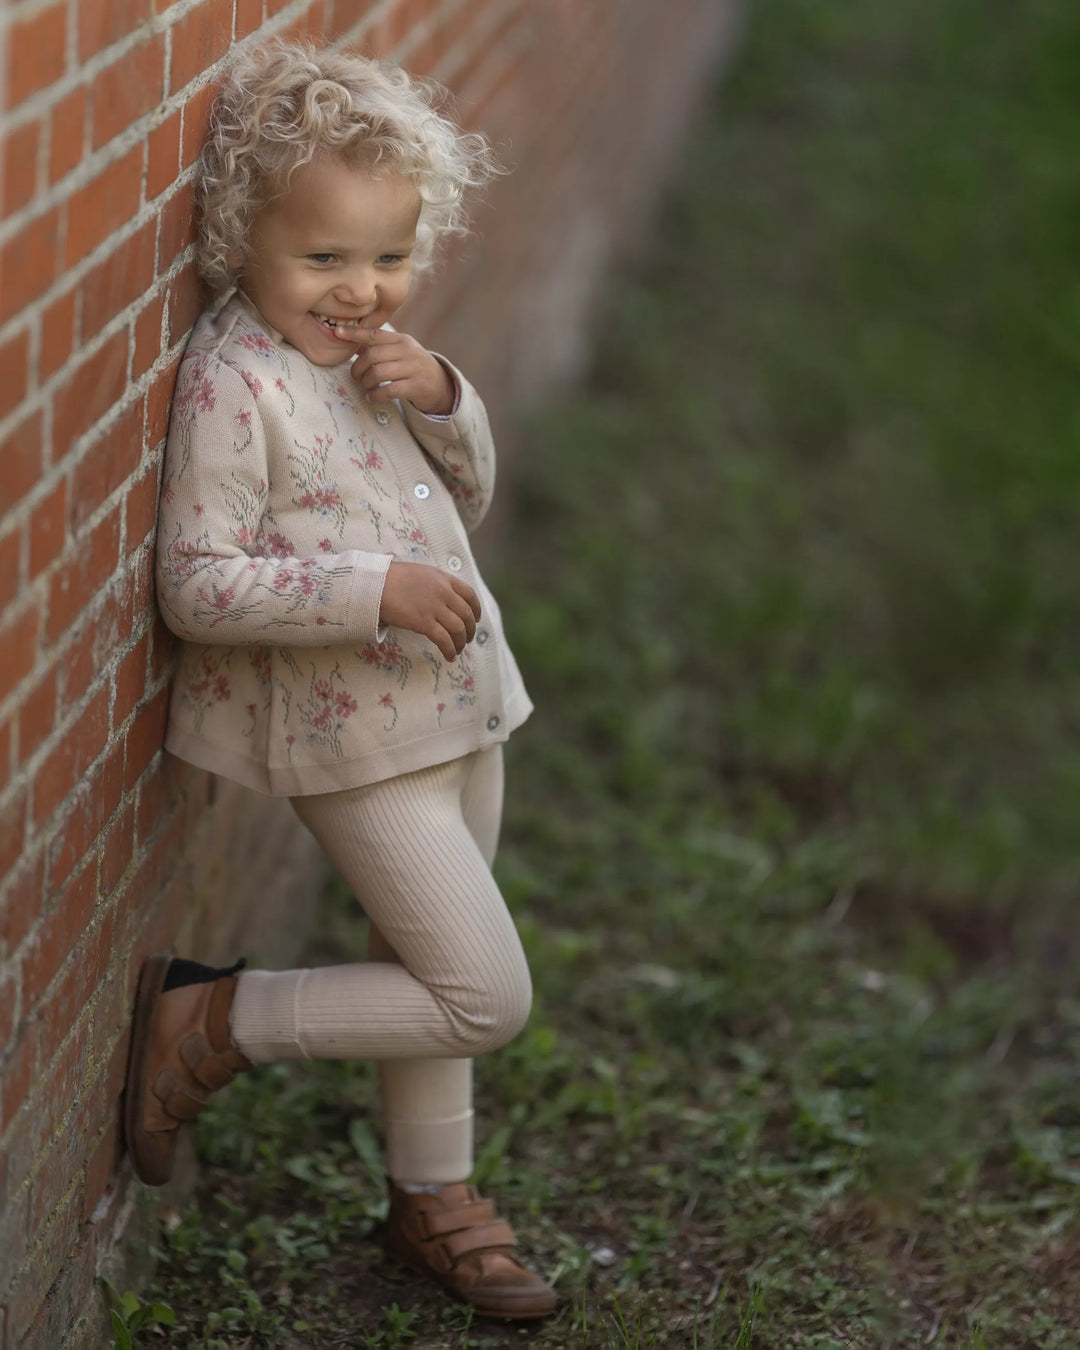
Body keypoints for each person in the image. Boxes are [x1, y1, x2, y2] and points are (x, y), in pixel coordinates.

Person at [122, 41, 556, 1321]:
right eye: (326, 260)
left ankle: (433, 1194)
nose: (363, 292)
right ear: (240, 236)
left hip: (468, 706)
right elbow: (195, 583)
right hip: (352, 739)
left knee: (421, 966)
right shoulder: (233, 379)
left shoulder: (377, 355)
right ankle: (216, 1024)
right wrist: (371, 592)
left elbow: (468, 486)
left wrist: (447, 397)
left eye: (388, 258)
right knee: (480, 992)